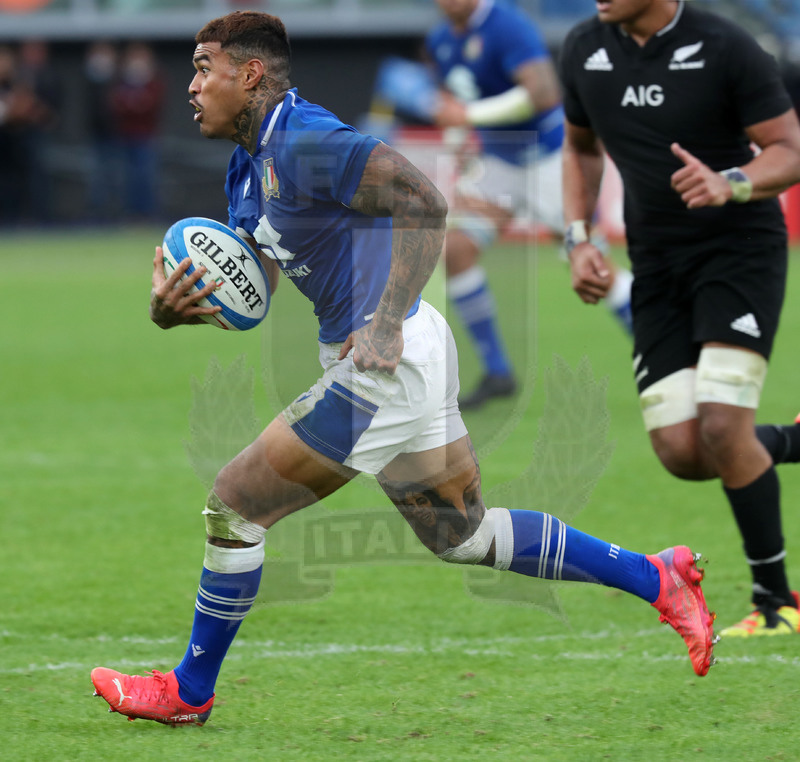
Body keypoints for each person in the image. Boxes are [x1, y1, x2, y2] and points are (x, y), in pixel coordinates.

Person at [90, 11, 715, 727]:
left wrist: (383, 321)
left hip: (385, 360)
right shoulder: (247, 164)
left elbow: (425, 201)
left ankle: (187, 693)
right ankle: (656, 576)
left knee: (235, 506)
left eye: (204, 68)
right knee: (464, 537)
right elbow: (254, 276)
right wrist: (177, 309)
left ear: (250, 74)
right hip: (404, 348)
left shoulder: (304, 141)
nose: (192, 86)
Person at [559, 0, 800, 637]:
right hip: (658, 266)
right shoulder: (584, 47)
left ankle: (776, 601)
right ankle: (790, 442)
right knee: (683, 452)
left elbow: (789, 149)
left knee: (723, 426)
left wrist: (734, 182)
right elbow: (580, 147)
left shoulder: (726, 45)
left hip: (739, 253)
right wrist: (579, 237)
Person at [426, 0, 634, 409]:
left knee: (594, 268)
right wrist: (459, 143)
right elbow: (454, 103)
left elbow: (542, 92)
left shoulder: (507, 25)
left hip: (550, 159)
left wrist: (468, 114)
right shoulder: (441, 38)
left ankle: (663, 353)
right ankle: (498, 371)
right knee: (456, 251)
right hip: (500, 161)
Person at [110, 42, 165, 221]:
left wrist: (134, 104)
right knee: (128, 177)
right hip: (125, 136)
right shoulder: (122, 81)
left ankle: (148, 213)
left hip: (146, 137)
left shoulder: (154, 81)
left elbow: (150, 106)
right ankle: (131, 213)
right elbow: (117, 105)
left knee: (146, 176)